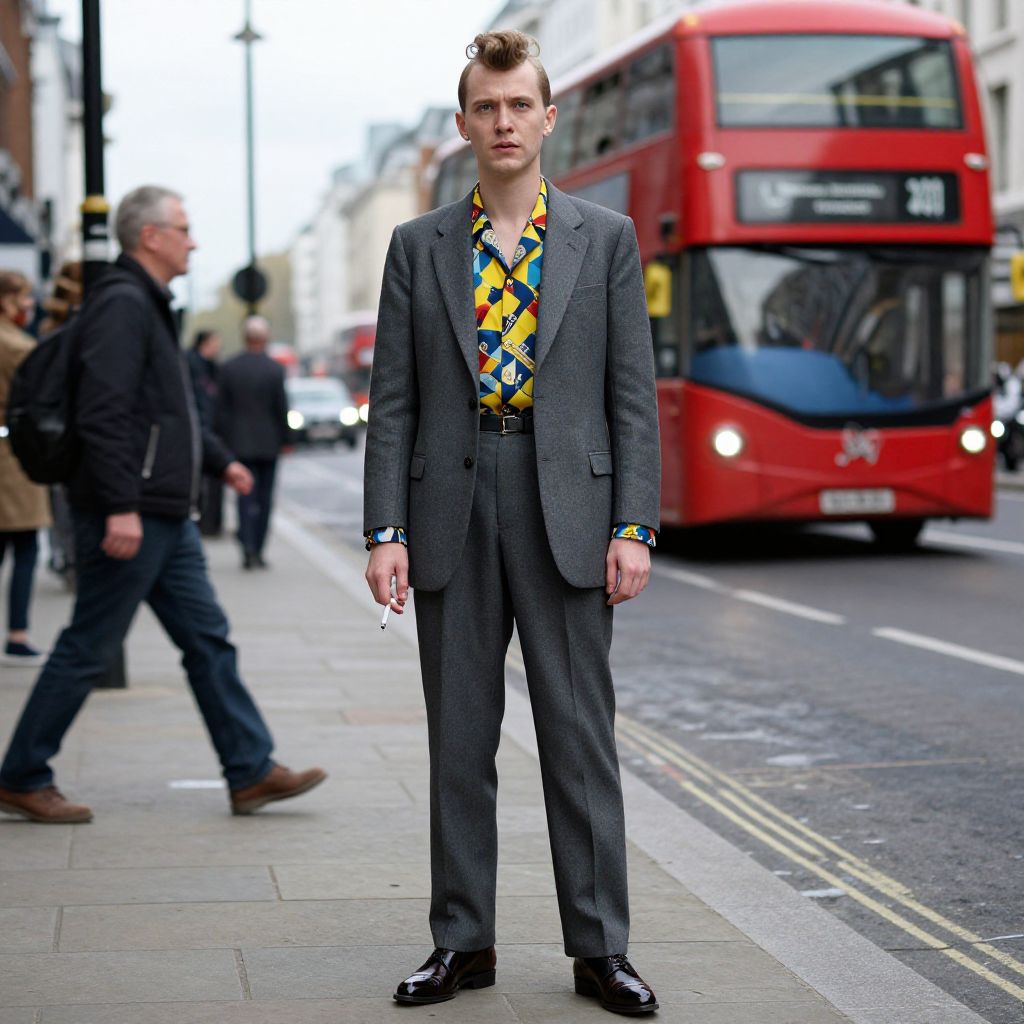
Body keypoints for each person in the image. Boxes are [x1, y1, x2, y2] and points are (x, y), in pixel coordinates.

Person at [363, 31, 661, 1015]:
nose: (502, 122)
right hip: (451, 499)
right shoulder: (417, 247)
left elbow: (631, 398)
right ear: (464, 124)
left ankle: (599, 949)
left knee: (578, 738)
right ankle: (462, 943)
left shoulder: (604, 239)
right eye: (484, 108)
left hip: (567, 503)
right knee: (459, 739)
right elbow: (393, 401)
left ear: (547, 117)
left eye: (516, 105)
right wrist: (383, 530)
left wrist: (634, 524)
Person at [0, 186, 325, 825]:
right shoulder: (122, 305)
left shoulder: (148, 305)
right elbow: (104, 413)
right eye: (183, 227)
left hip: (162, 513)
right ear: (150, 236)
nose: (193, 240)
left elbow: (168, 413)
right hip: (134, 511)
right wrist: (120, 505)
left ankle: (250, 769)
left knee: (208, 641)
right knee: (89, 644)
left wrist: (220, 460)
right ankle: (21, 773)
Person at [0, 270, 52, 664]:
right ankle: (17, 633)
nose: (29, 305)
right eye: (24, 297)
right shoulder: (15, 345)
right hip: (12, 457)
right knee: (25, 545)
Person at [216, 316, 289, 569]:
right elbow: (281, 408)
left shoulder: (228, 368)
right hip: (268, 444)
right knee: (265, 499)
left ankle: (246, 547)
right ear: (265, 339)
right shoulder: (274, 369)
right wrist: (286, 439)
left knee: (244, 498)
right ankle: (258, 549)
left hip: (239, 444)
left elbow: (221, 411)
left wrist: (223, 443)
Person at [187, 329, 225, 537]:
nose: (217, 348)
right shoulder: (193, 364)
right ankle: (205, 522)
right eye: (214, 343)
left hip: (208, 428)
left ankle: (210, 522)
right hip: (202, 428)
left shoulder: (210, 366)